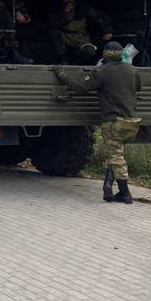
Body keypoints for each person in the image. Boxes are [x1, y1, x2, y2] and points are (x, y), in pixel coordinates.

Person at [54, 41, 141, 204]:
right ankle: (107, 187)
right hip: (130, 121)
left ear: (106, 54)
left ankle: (125, 193)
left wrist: (62, 75)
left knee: (116, 157)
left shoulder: (102, 71)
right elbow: (138, 87)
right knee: (116, 153)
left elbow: (81, 87)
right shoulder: (132, 70)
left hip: (113, 121)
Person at [49, 0, 113, 63]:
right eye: (66, 0)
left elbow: (99, 16)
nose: (69, 3)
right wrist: (66, 14)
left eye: (71, 0)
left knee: (90, 52)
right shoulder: (57, 11)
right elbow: (54, 25)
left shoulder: (82, 9)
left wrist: (108, 30)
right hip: (64, 37)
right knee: (56, 37)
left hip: (81, 37)